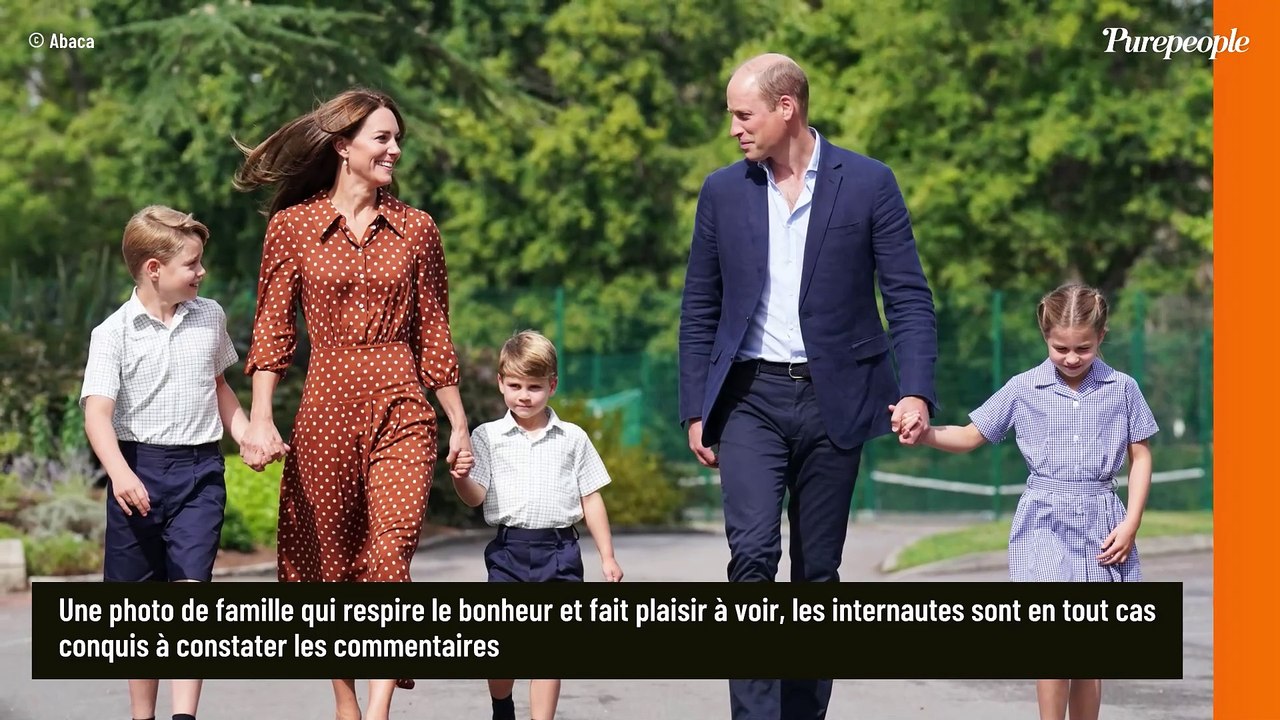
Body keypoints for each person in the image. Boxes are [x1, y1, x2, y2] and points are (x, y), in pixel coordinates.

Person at [676, 53, 938, 719]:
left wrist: (916, 391)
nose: (734, 128)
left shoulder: (869, 184)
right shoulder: (723, 191)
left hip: (836, 401)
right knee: (754, 558)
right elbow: (700, 308)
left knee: (817, 574)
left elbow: (907, 297)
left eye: (744, 114)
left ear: (785, 107)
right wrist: (694, 408)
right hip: (749, 400)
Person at [232, 88, 471, 720]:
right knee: (329, 564)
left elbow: (435, 332)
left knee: (390, 552)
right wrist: (260, 417)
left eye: (398, 139)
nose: (395, 150)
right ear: (343, 146)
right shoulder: (292, 229)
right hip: (326, 407)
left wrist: (457, 422)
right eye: (382, 139)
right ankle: (346, 704)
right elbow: (272, 332)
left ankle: (381, 708)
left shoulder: (418, 229)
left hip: (402, 405)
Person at [897, 282, 1158, 720]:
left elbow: (1141, 455)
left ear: (1101, 336)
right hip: (1044, 525)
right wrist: (925, 434)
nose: (1072, 358)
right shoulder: (1023, 388)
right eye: (1061, 348)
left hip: (1102, 525)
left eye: (1084, 348)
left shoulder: (1123, 388)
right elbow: (970, 434)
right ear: (1045, 336)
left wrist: (1131, 522)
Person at [81, 205, 248, 720]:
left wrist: (246, 436)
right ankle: (142, 715)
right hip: (136, 470)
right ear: (155, 268)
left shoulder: (210, 316)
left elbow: (220, 387)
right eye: (191, 264)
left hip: (200, 473)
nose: (201, 273)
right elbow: (97, 415)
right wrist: (121, 473)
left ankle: (184, 716)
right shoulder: (113, 333)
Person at [450, 330, 622, 720]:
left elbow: (591, 497)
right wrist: (460, 475)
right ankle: (502, 705)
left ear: (552, 386)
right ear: (500, 383)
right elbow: (475, 497)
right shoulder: (487, 437)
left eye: (534, 386)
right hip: (509, 552)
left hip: (561, 552)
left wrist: (607, 556)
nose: (524, 395)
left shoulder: (573, 438)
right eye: (515, 385)